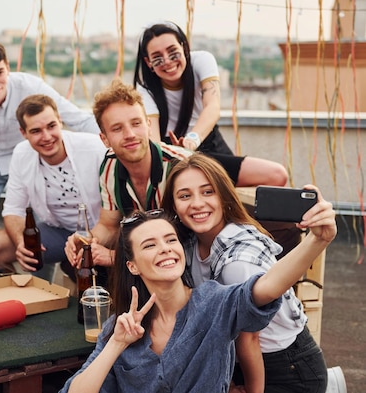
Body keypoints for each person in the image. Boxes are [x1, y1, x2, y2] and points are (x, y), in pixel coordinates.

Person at [60, 198, 336, 392]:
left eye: (171, 240)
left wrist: (317, 239)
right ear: (132, 265)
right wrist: (117, 344)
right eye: (149, 245)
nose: (166, 248)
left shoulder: (213, 303)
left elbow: (266, 287)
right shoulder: (119, 328)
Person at [64, 79, 287, 270]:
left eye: (136, 123)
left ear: (149, 126)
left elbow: (197, 235)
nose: (130, 134)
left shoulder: (180, 165)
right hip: (159, 255)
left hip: (203, 257)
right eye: (117, 129)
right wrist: (87, 241)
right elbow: (109, 225)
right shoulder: (110, 166)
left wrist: (116, 259)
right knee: (79, 264)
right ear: (104, 139)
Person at [161, 153, 329, 392]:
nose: (197, 203)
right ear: (174, 205)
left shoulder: (237, 263)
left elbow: (249, 338)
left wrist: (249, 389)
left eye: (208, 192)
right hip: (240, 359)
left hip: (284, 367)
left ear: (225, 197)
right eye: (185, 195)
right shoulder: (187, 244)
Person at [0, 38, 100, 238]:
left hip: (26, 163)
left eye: (0, 72)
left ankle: (37, 268)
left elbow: (77, 118)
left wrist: (110, 142)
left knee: (40, 226)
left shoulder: (31, 87)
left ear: (8, 67)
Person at [133, 20, 288, 187]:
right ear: (148, 63)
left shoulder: (201, 60)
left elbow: (213, 107)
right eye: (157, 58)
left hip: (205, 140)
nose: (167, 61)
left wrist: (192, 141)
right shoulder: (144, 89)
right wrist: (175, 153)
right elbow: (154, 140)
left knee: (277, 175)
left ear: (184, 48)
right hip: (172, 155)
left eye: (173, 53)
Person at [0, 94, 106, 282]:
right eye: (36, 131)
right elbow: (13, 210)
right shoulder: (21, 154)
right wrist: (21, 243)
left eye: (51, 126)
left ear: (60, 121)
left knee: (88, 277)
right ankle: (21, 300)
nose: (46, 137)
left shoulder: (94, 148)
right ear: (23, 133)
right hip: (57, 231)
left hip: (97, 231)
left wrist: (91, 241)